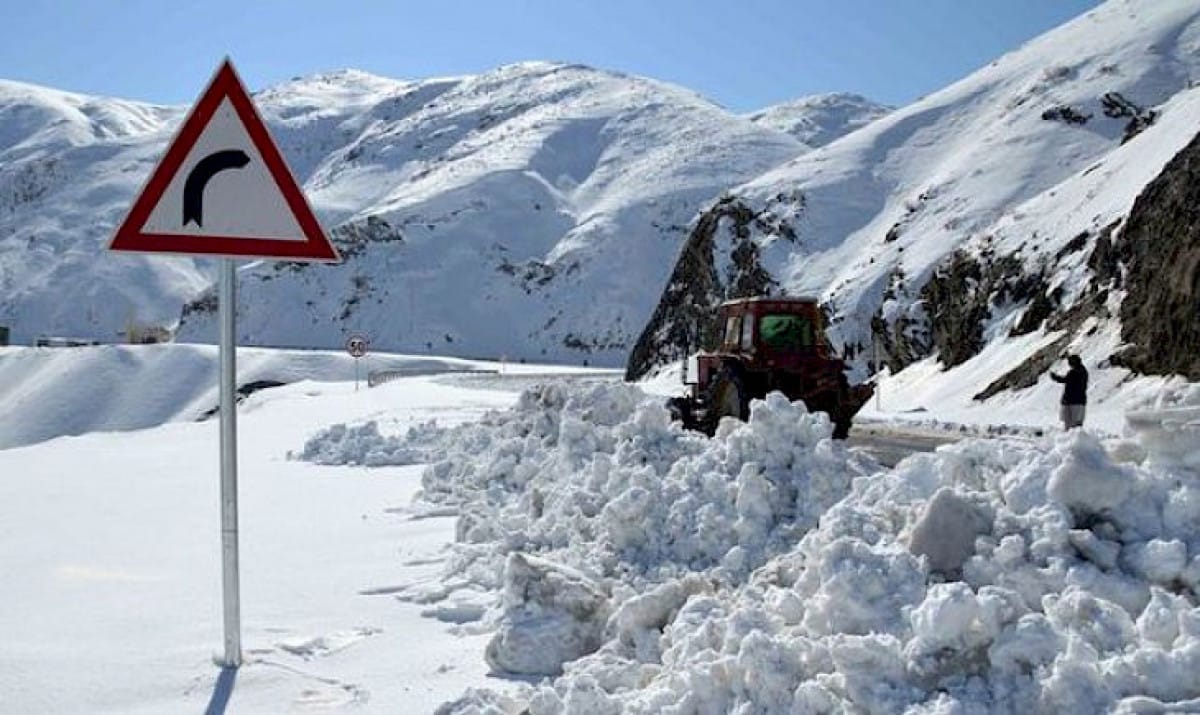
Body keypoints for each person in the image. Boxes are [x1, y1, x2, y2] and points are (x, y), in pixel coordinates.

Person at [1050, 354, 1088, 429]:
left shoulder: (1073, 372)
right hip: (1080, 401)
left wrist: (1054, 377)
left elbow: (1064, 380)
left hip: (1070, 402)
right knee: (1077, 425)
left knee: (1069, 426)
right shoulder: (1084, 372)